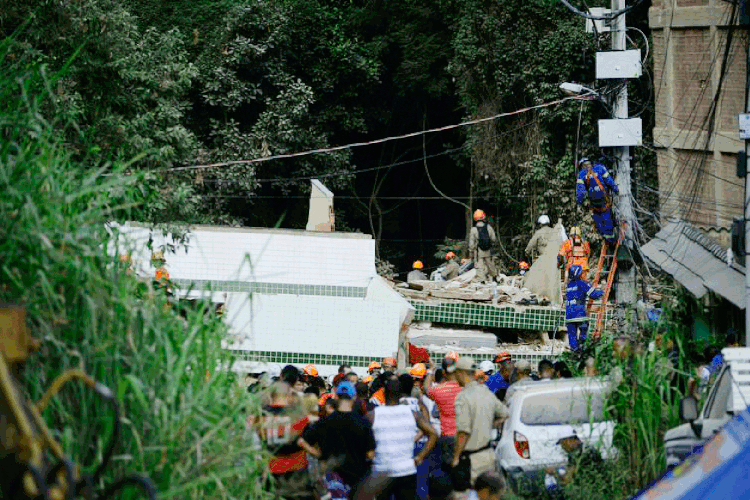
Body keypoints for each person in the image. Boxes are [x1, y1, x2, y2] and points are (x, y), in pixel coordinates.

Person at [298, 381, 376, 499]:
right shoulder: (363, 423)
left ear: (336, 397)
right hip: (358, 480)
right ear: (354, 397)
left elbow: (303, 441)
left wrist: (318, 454)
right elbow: (370, 454)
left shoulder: (325, 422)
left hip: (333, 479)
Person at [369, 378, 437, 500]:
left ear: (384, 394)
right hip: (406, 470)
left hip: (382, 471)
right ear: (401, 394)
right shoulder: (412, 414)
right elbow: (433, 433)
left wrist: (369, 455)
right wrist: (420, 457)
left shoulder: (374, 415)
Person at [452, 357, 509, 485]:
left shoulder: (463, 396)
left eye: (456, 374)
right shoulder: (486, 392)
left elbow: (463, 432)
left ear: (461, 373)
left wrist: (456, 457)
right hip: (489, 455)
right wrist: (490, 425)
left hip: (472, 459)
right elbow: (505, 414)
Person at [255, 381, 314, 500]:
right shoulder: (299, 415)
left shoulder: (261, 415)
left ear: (271, 395)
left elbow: (259, 439)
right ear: (288, 395)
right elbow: (307, 439)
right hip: (296, 469)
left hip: (270, 469)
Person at [425, 355, 463, 477]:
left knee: (447, 470)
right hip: (463, 435)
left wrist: (431, 370)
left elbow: (426, 388)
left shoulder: (439, 390)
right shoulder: (465, 389)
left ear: (443, 372)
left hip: (447, 436)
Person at [576, 157, 619, 246]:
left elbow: (580, 191)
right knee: (607, 220)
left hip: (595, 204)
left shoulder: (582, 174)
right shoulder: (600, 168)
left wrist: (580, 203)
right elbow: (609, 181)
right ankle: (611, 241)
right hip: (604, 201)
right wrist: (616, 189)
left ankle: (605, 239)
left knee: (599, 222)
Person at [564, 264, 603, 351]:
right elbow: (593, 295)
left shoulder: (569, 285)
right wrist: (602, 291)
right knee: (584, 327)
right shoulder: (582, 283)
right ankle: (581, 347)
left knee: (572, 335)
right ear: (579, 274)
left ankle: (574, 352)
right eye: (582, 272)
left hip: (569, 314)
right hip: (579, 313)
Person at [468, 209, 497, 283]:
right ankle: (495, 278)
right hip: (488, 250)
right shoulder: (488, 227)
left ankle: (482, 281)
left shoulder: (473, 229)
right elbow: (493, 239)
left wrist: (471, 252)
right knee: (490, 264)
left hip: (479, 251)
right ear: (483, 217)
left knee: (479, 265)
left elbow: (471, 244)